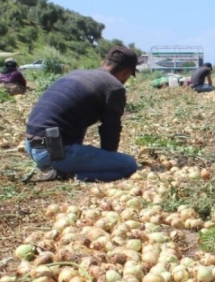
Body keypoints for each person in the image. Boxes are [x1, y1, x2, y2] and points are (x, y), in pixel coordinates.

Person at [24, 46, 139, 182]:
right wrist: (108, 160)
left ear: (103, 62)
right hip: (54, 152)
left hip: (31, 145)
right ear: (126, 73)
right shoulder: (114, 87)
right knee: (128, 165)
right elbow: (110, 130)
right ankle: (68, 174)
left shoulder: (76, 74)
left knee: (77, 120)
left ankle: (58, 165)